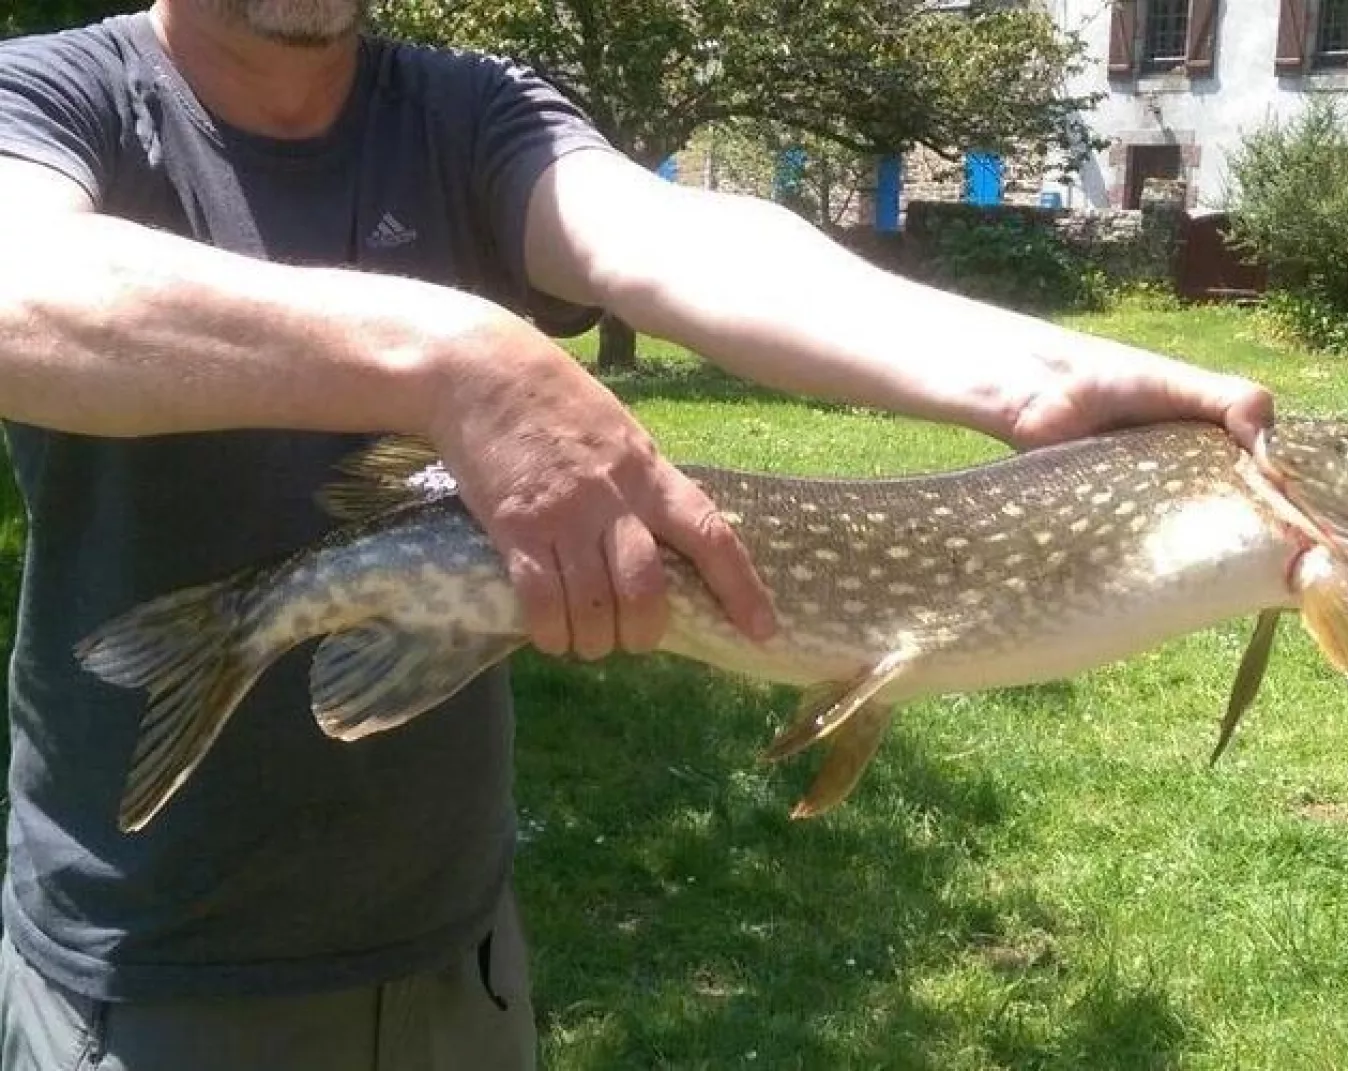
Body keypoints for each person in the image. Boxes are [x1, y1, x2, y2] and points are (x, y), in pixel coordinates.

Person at [0, 0, 1273, 1066]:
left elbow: (675, 239)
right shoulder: (57, 95)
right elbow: (23, 289)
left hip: (456, 952)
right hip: (144, 973)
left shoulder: (463, 109)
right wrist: (450, 357)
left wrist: (1025, 374)